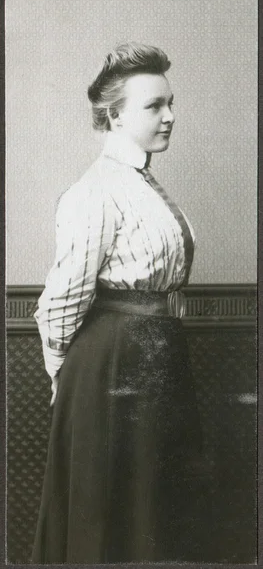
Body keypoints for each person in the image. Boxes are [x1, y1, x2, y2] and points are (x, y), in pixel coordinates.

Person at [31, 42, 203, 564]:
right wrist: (71, 382)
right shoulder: (97, 190)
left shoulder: (141, 184)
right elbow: (60, 302)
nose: (170, 116)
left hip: (155, 359)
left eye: (171, 103)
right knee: (112, 515)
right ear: (114, 114)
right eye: (154, 106)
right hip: (111, 368)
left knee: (155, 510)